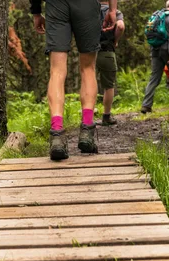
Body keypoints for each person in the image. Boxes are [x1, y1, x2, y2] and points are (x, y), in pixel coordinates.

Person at [30, 0, 117, 160]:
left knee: (56, 71)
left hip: (56, 5)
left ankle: (57, 135)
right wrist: (112, 9)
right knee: (88, 68)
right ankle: (86, 132)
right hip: (87, 5)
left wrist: (36, 11)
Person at [96, 1, 125, 125]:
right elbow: (120, 26)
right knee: (108, 86)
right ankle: (106, 116)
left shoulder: (90, 10)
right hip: (106, 51)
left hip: (89, 52)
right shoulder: (115, 12)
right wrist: (116, 41)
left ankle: (87, 118)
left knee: (88, 81)